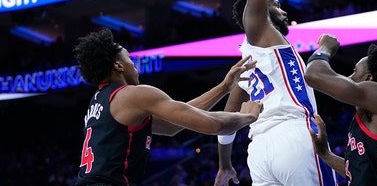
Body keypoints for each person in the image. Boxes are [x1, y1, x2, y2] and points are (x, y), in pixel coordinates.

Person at [200, 0, 337, 186]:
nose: (282, 7)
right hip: (294, 137)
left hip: (259, 152)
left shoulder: (246, 63)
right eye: (274, 3)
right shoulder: (261, 31)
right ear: (259, 10)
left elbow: (228, 119)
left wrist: (224, 165)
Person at [73, 27, 263, 186]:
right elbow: (213, 125)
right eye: (130, 59)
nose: (134, 65)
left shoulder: (100, 101)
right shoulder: (133, 95)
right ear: (119, 66)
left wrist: (224, 88)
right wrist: (248, 116)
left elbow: (174, 124)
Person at [305, 34, 377, 185]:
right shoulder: (368, 118)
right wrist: (325, 154)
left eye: (355, 71)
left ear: (369, 79)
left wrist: (325, 49)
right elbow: (357, 172)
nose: (349, 77)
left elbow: (313, 75)